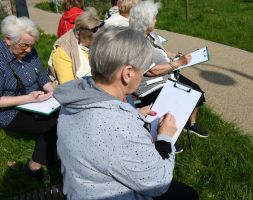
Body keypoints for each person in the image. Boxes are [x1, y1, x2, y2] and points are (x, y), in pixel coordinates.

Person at [54, 27, 198, 200]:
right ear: (128, 73)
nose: (143, 76)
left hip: (80, 187)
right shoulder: (116, 126)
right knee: (188, 195)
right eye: (143, 71)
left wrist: (135, 113)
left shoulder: (77, 94)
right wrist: (165, 137)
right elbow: (159, 183)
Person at [130, 0, 208, 138]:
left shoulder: (150, 35)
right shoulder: (137, 43)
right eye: (154, 17)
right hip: (149, 85)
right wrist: (178, 63)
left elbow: (161, 51)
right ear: (145, 21)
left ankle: (191, 124)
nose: (156, 20)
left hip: (166, 76)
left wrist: (177, 56)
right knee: (175, 100)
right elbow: (151, 71)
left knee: (196, 91)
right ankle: (163, 136)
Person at [0, 16, 57, 184]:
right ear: (8, 40)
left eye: (32, 45)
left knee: (69, 115)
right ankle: (34, 166)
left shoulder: (30, 51)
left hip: (39, 101)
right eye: (24, 45)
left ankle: (59, 154)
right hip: (10, 111)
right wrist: (28, 98)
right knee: (53, 125)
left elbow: (42, 75)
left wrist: (51, 91)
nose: (29, 50)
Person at [49, 7, 102, 84]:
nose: (94, 43)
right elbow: (69, 86)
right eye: (90, 39)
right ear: (78, 33)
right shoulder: (63, 50)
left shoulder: (98, 35)